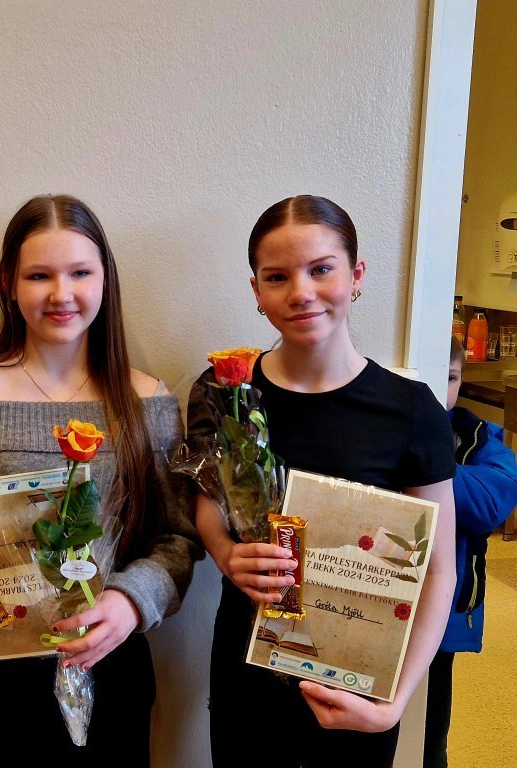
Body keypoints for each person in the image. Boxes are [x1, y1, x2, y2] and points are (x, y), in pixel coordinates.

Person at [0, 194, 201, 766]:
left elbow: (177, 539)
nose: (61, 294)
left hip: (109, 666)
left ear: (105, 281)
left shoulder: (148, 403)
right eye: (39, 276)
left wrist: (132, 602)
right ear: (9, 283)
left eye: (80, 273)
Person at [188, 195, 457, 767]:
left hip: (356, 681)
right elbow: (208, 504)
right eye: (277, 277)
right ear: (256, 291)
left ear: (356, 276)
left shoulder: (411, 411)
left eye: (321, 270)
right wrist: (226, 555)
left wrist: (394, 703)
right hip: (246, 666)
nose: (301, 292)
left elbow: (438, 569)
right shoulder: (223, 391)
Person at [423, 337, 517, 767]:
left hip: (446, 612)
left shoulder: (477, 437)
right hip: (381, 594)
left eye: (450, 378)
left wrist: (423, 464)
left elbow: (492, 503)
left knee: (430, 730)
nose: (440, 388)